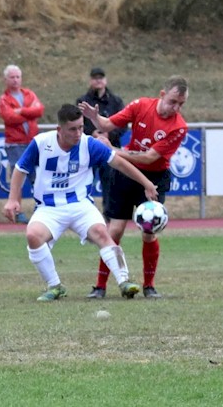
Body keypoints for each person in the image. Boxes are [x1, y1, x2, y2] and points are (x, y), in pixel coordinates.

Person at [2, 104, 158, 302]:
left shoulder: (89, 144)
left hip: (80, 205)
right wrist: (12, 200)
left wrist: (146, 183)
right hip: (49, 207)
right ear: (59, 130)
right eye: (72, 129)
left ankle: (124, 282)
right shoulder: (41, 143)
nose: (78, 133)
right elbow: (20, 169)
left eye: (81, 128)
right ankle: (55, 286)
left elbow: (119, 163)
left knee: (102, 233)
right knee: (33, 236)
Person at [79, 75, 190, 299]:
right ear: (162, 94)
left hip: (154, 179)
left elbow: (149, 158)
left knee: (149, 231)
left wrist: (112, 151)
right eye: (172, 101)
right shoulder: (141, 105)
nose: (176, 108)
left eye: (181, 104)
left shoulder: (179, 127)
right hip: (125, 173)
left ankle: (149, 286)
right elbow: (108, 124)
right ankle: (100, 286)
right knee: (115, 231)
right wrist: (95, 117)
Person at [76, 67, 126, 220]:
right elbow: (78, 122)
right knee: (83, 181)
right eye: (95, 77)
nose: (98, 80)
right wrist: (93, 133)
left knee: (110, 183)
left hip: (109, 148)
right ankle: (82, 214)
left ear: (105, 80)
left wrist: (109, 133)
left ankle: (108, 215)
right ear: (90, 80)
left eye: (101, 77)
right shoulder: (82, 101)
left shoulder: (116, 101)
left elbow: (123, 124)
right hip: (89, 148)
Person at [0, 64, 45, 224]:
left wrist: (22, 111)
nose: (16, 80)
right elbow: (10, 118)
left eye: (18, 77)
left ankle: (42, 209)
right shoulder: (4, 100)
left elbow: (39, 110)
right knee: (18, 178)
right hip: (15, 144)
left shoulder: (29, 94)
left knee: (37, 176)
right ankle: (17, 211)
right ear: (6, 79)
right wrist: (29, 112)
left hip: (32, 141)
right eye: (12, 77)